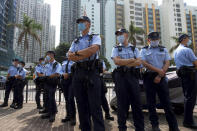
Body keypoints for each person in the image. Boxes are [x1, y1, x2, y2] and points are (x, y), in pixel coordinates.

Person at [68, 16, 105, 131]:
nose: (80, 24)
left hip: (91, 72)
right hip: (78, 73)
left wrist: (77, 54)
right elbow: (69, 56)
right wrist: (83, 54)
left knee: (95, 106)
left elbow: (93, 50)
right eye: (78, 22)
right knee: (81, 105)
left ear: (88, 24)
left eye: (82, 22)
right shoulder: (76, 40)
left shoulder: (95, 37)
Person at [141, 32, 179, 131]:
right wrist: (159, 71)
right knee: (151, 103)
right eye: (153, 39)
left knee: (167, 102)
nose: (155, 41)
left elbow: (167, 62)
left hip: (161, 77)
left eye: (157, 39)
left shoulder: (163, 49)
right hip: (149, 77)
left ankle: (173, 126)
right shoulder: (144, 50)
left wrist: (160, 74)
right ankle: (155, 126)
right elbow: (144, 63)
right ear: (149, 40)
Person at [111, 28, 144, 131]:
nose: (119, 36)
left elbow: (139, 63)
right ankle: (122, 128)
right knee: (122, 105)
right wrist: (131, 60)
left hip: (133, 77)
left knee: (136, 104)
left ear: (127, 35)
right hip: (121, 78)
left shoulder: (134, 49)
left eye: (121, 34)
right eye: (118, 34)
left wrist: (123, 61)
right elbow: (116, 62)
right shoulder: (116, 48)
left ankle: (139, 128)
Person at [174, 34, 197, 129]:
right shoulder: (187, 50)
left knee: (187, 97)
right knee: (190, 98)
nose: (189, 40)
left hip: (183, 75)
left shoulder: (177, 50)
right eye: (188, 38)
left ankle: (188, 120)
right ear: (184, 39)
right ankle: (188, 121)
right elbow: (195, 63)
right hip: (190, 75)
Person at [41, 51, 61, 122]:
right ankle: (49, 112)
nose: (47, 56)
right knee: (46, 97)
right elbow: (44, 73)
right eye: (47, 55)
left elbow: (57, 73)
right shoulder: (47, 65)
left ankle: (53, 114)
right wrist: (44, 77)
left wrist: (48, 76)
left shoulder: (57, 64)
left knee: (51, 97)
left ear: (52, 55)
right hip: (46, 82)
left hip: (53, 82)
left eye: (48, 55)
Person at [61, 57, 76, 126]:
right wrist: (63, 74)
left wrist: (69, 75)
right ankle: (68, 116)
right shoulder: (64, 62)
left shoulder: (75, 62)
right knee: (67, 99)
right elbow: (61, 70)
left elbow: (76, 71)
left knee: (70, 99)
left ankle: (73, 117)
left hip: (72, 81)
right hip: (64, 81)